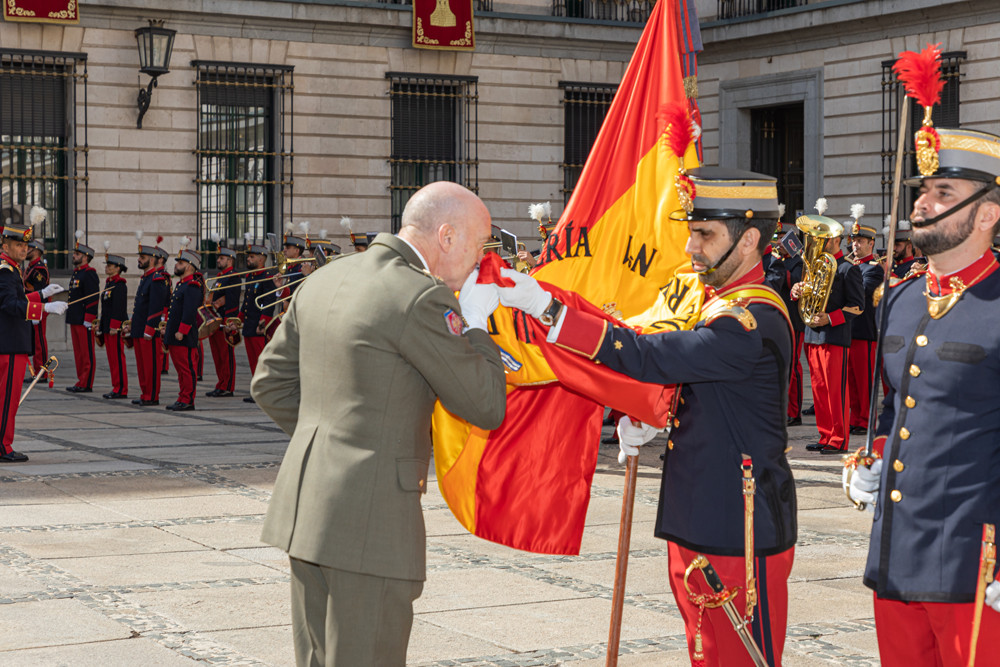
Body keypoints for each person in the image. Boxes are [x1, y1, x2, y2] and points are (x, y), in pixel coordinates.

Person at [496, 168, 797, 666]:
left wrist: (549, 309)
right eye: (691, 232)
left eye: (705, 234)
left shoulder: (747, 320)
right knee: (705, 653)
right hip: (702, 514)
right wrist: (665, 412)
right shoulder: (718, 307)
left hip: (740, 530)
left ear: (748, 241)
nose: (690, 248)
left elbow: (648, 354)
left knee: (743, 658)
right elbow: (708, 388)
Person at [254, 181, 506, 667]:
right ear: (447, 236)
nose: (479, 263)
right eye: (478, 248)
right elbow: (485, 403)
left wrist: (336, 449)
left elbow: (270, 384)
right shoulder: (423, 297)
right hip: (371, 524)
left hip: (308, 512)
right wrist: (475, 323)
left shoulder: (326, 279)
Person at [848, 126, 1000, 665]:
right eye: (922, 190)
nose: (923, 202)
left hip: (973, 563)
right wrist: (874, 455)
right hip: (896, 551)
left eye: (944, 194)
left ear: (986, 215)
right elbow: (900, 407)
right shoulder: (901, 298)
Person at [791, 214, 864, 454]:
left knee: (835, 390)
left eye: (822, 239)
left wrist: (831, 318)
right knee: (820, 390)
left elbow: (858, 305)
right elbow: (808, 295)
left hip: (834, 336)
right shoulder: (814, 266)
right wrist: (798, 290)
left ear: (835, 240)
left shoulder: (847, 269)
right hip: (813, 334)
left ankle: (838, 439)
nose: (818, 242)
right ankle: (825, 435)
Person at [1, 221, 66, 462]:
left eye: (25, 244)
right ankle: (3, 447)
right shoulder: (6, 271)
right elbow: (9, 305)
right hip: (9, 345)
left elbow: (17, 297)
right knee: (7, 401)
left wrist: (41, 294)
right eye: (18, 244)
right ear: (5, 245)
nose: (23, 249)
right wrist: (44, 308)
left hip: (9, 344)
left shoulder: (11, 268)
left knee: (6, 399)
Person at [846, 210, 881, 435]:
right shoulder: (851, 267)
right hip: (849, 331)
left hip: (865, 332)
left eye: (860, 241)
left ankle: (867, 420)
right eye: (854, 241)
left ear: (871, 244)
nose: (856, 245)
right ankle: (856, 418)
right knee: (852, 382)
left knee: (865, 381)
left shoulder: (874, 269)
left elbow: (863, 292)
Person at [131, 235, 170, 406]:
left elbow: (156, 307)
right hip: (140, 328)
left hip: (149, 330)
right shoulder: (146, 278)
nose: (139, 260)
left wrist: (149, 328)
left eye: (143, 258)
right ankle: (145, 392)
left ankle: (152, 395)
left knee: (151, 365)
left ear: (153, 259)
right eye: (140, 257)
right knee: (141, 365)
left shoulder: (157, 279)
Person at [164, 244, 203, 411]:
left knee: (187, 369)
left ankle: (188, 400)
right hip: (175, 334)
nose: (176, 266)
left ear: (189, 266)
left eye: (180, 263)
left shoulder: (192, 286)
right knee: (180, 369)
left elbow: (189, 312)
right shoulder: (181, 285)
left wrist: (182, 330)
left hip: (184, 335)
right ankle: (182, 396)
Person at [775, 219, 806, 426]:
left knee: (793, 367)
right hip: (779, 319)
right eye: (776, 238)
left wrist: (776, 264)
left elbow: (794, 283)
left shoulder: (799, 262)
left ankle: (794, 412)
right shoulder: (776, 260)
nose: (777, 243)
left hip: (794, 320)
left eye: (781, 239)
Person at [238, 240, 275, 404]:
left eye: (251, 256)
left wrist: (264, 322)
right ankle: (257, 390)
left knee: (261, 361)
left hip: (259, 327)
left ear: (262, 258)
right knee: (253, 361)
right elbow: (246, 302)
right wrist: (238, 319)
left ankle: (264, 391)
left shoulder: (267, 276)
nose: (248, 259)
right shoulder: (250, 276)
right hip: (249, 325)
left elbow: (269, 300)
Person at [205, 245, 240, 398]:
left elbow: (232, 301)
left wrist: (228, 322)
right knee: (218, 355)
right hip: (215, 321)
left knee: (226, 356)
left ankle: (228, 386)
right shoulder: (221, 276)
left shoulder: (233, 276)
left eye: (222, 258)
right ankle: (221, 383)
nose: (218, 260)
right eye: (219, 258)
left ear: (230, 260)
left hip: (224, 321)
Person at [65, 235, 99, 393]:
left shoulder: (89, 273)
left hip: (84, 319)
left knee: (86, 353)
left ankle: (87, 382)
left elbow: (93, 298)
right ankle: (81, 380)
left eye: (77, 254)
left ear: (85, 257)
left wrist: (89, 318)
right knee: (78, 353)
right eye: (74, 253)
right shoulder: (77, 273)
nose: (74, 256)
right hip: (75, 317)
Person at [99, 250, 129, 399]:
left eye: (110, 266)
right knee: (112, 359)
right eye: (107, 265)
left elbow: (119, 308)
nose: (107, 268)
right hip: (107, 327)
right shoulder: (110, 284)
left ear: (118, 268)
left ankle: (121, 388)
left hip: (114, 329)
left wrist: (114, 326)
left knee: (117, 358)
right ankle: (115, 386)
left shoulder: (119, 285)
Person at [23, 235, 50, 382]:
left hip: (37, 307)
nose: (26, 250)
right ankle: (36, 371)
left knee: (40, 342)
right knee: (34, 341)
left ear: (37, 250)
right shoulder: (31, 267)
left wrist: (36, 311)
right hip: (30, 307)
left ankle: (42, 373)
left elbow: (40, 292)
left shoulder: (39, 269)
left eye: (29, 248)